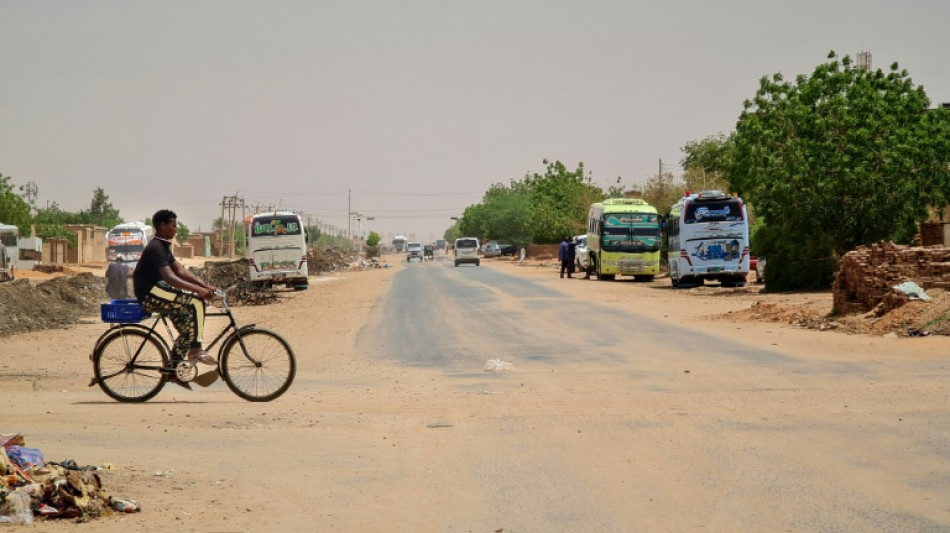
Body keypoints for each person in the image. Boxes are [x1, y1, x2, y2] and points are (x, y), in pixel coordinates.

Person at [133, 209, 218, 365]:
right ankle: (196, 349)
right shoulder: (155, 248)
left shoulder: (163, 246)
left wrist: (204, 285)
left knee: (187, 330)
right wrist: (198, 290)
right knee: (197, 302)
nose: (176, 228)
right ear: (163, 226)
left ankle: (173, 370)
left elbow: (180, 271)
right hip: (150, 293)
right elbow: (171, 278)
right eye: (173, 225)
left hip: (159, 290)